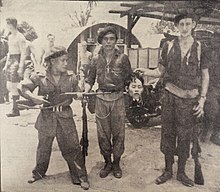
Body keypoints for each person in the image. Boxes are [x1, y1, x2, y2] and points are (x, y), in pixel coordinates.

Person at [135, 13, 209, 187]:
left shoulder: (200, 47)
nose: (184, 27)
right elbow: (160, 71)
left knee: (185, 136)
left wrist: (202, 100)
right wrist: (143, 71)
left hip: (189, 99)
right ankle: (168, 170)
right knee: (167, 133)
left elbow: (205, 75)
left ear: (193, 25)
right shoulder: (168, 46)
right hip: (169, 97)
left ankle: (182, 173)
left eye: (188, 24)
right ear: (177, 26)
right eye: (181, 24)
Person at [19, 46, 89, 190]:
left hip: (65, 118)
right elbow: (22, 87)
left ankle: (80, 176)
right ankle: (38, 172)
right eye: (62, 60)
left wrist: (80, 94)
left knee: (73, 148)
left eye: (66, 60)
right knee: (43, 148)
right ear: (52, 61)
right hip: (46, 117)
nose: (66, 63)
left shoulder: (71, 77)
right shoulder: (39, 76)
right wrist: (34, 97)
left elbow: (78, 92)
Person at [84, 26, 132, 179]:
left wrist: (133, 88)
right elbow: (89, 79)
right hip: (101, 99)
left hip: (118, 98)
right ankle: (107, 162)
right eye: (106, 39)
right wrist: (86, 90)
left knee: (119, 133)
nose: (109, 42)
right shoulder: (95, 58)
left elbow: (129, 78)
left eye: (112, 39)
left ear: (115, 41)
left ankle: (116, 163)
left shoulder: (123, 58)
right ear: (101, 41)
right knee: (103, 134)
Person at [3, 17, 26, 117]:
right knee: (9, 85)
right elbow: (9, 52)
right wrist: (5, 65)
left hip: (17, 59)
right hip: (10, 60)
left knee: (14, 85)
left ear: (12, 24)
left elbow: (24, 53)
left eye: (8, 24)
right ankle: (19, 104)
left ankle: (15, 109)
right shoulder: (10, 37)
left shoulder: (20, 37)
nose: (7, 26)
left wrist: (21, 67)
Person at [201, 32, 220, 146]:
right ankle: (204, 132)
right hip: (209, 85)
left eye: (217, 40)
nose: (214, 42)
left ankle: (216, 134)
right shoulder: (207, 52)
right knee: (212, 110)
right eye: (214, 39)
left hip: (217, 85)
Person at [0, 32, 9, 104]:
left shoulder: (5, 43)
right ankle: (1, 99)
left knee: (4, 81)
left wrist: (5, 64)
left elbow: (8, 54)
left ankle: (7, 97)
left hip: (4, 64)